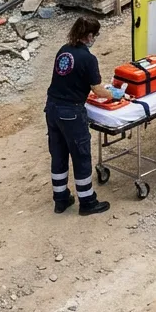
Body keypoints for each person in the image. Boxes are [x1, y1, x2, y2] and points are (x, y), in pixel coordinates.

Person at [45, 16, 124, 215]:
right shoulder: (88, 58)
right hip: (71, 112)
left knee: (59, 154)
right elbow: (97, 90)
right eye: (95, 35)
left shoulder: (64, 51)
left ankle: (60, 199)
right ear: (89, 35)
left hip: (52, 108)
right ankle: (87, 201)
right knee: (81, 156)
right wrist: (113, 94)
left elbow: (70, 80)